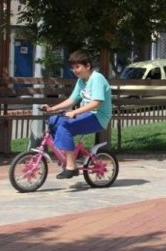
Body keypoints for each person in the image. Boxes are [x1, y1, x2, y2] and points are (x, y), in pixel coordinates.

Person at [41, 50, 113, 179]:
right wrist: (52, 109)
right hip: (86, 115)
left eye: (78, 67)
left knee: (65, 127)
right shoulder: (81, 81)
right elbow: (71, 100)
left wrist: (74, 112)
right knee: (53, 120)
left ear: (88, 66)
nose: (75, 70)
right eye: (73, 67)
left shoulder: (97, 79)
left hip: (98, 117)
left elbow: (96, 103)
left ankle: (71, 167)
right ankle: (69, 154)